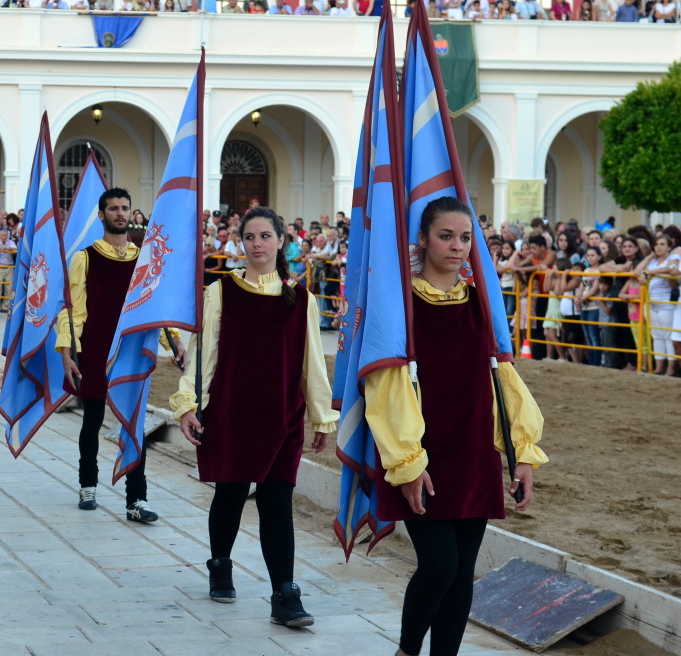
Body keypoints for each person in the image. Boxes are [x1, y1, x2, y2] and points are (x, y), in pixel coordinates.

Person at [365, 197, 547, 656]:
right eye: (446, 235)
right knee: (440, 566)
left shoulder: (480, 303)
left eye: (465, 237)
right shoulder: (401, 305)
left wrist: (522, 453)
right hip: (424, 456)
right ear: (422, 239)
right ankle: (407, 651)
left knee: (463, 571)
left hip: (473, 454)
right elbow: (386, 388)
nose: (457, 246)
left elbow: (503, 378)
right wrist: (407, 463)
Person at [171, 207, 337, 626]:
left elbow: (311, 363)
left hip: (282, 415)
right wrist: (187, 403)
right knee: (229, 493)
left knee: (277, 502)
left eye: (266, 236)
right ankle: (220, 564)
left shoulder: (303, 298)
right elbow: (202, 354)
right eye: (250, 237)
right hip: (231, 411)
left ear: (282, 240)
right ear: (240, 243)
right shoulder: (221, 291)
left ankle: (285, 593)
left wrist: (321, 416)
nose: (258, 244)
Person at [56, 188, 185, 523]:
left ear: (131, 213)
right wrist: (67, 355)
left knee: (135, 424)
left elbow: (155, 309)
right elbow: (72, 311)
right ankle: (88, 485)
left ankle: (136, 499)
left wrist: (175, 343)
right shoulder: (85, 257)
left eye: (124, 208)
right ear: (102, 215)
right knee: (92, 420)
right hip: (96, 351)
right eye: (112, 208)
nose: (119, 213)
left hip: (131, 355)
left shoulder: (144, 260)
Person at [636, 235, 680, 375]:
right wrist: (648, 258)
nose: (659, 247)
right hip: (652, 303)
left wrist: (648, 272)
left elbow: (669, 269)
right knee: (657, 336)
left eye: (662, 244)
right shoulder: (653, 261)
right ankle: (659, 367)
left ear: (669, 246)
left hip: (666, 302)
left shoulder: (673, 259)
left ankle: (670, 368)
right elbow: (636, 272)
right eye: (656, 244)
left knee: (668, 336)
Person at [0, 227, 18, 312]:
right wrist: (0, 248)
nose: (4, 237)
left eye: (5, 235)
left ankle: (6, 306)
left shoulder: (11, 242)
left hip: (9, 267)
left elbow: (15, 248)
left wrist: (8, 248)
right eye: (2, 235)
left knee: (8, 287)